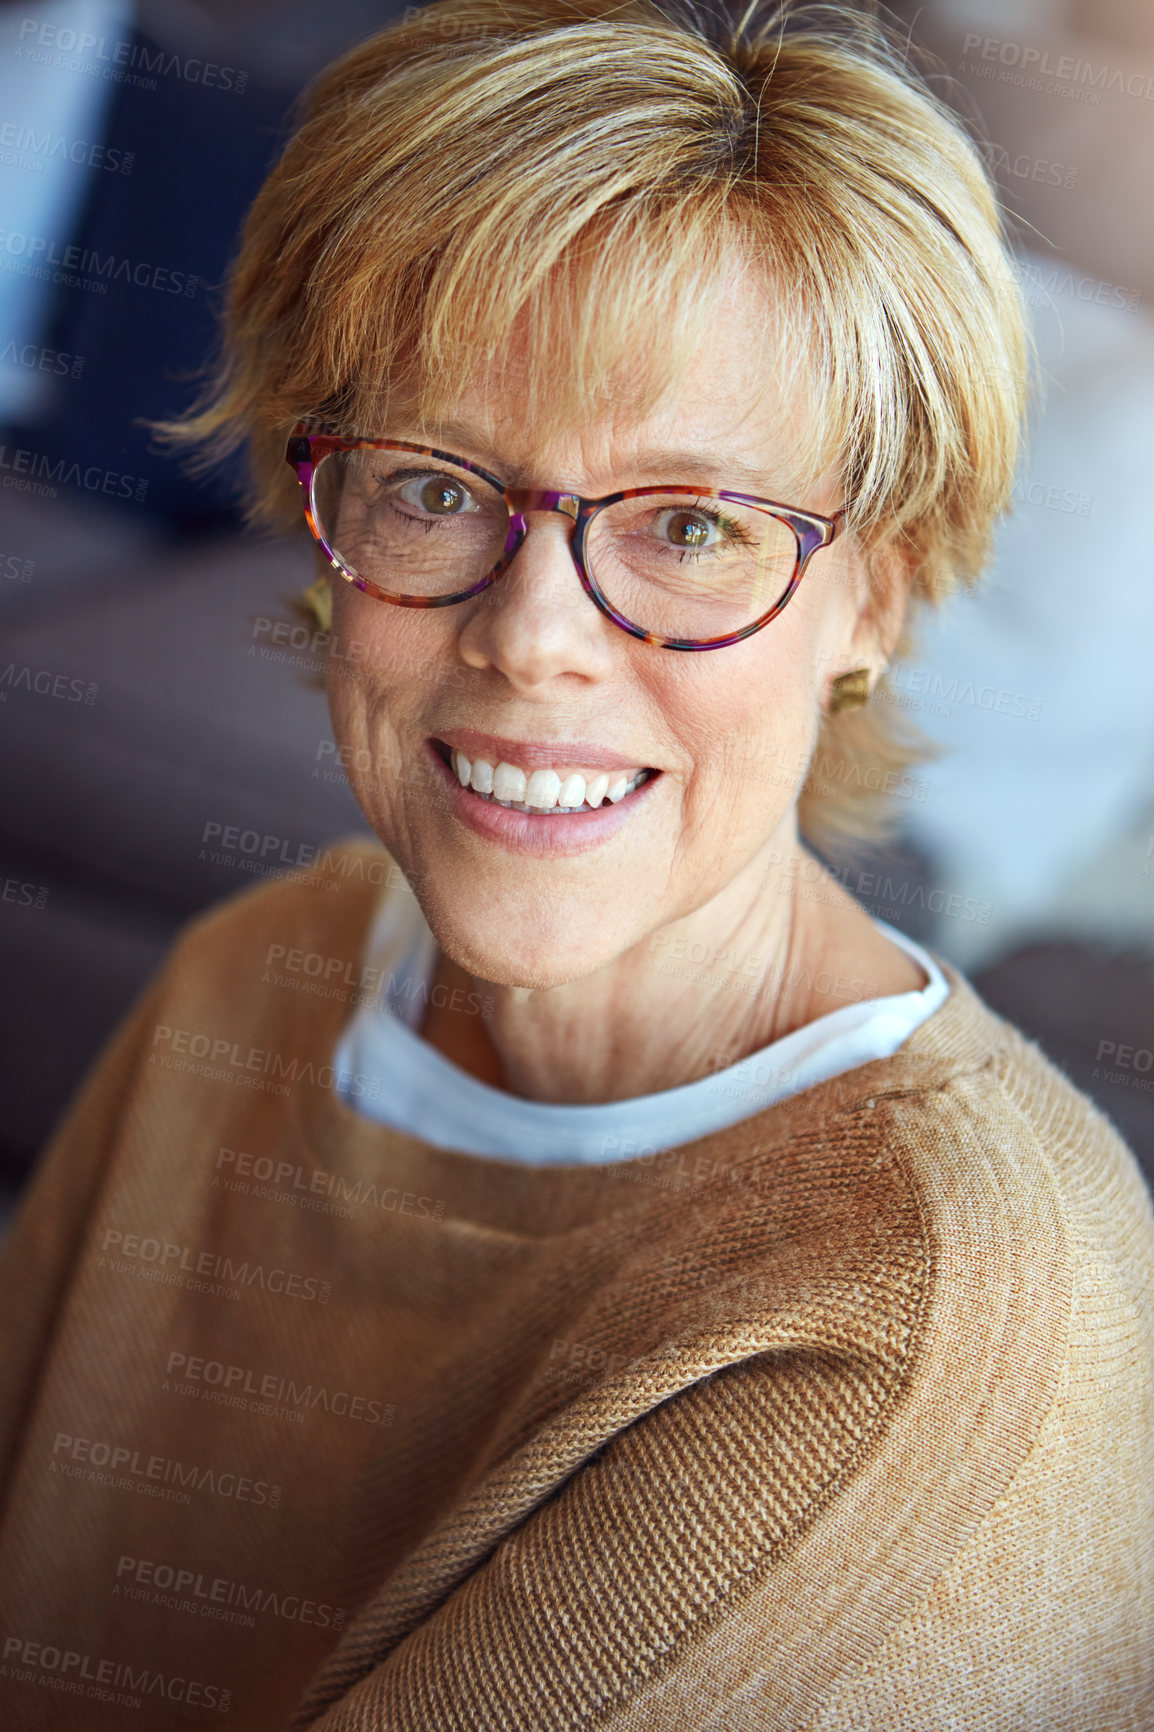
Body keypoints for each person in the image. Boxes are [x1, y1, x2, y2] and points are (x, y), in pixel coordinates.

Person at [1, 1, 1150, 1726]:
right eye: (437, 489)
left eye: (691, 526)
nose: (532, 637)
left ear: (877, 598)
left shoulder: (926, 1321)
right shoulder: (264, 961)